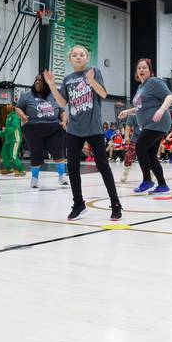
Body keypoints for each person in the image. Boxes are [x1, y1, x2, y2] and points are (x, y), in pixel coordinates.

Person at [46, 45, 122, 221]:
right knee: (72, 167)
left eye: (82, 54)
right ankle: (79, 204)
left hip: (94, 127)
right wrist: (52, 86)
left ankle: (115, 203)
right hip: (74, 129)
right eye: (75, 55)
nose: (78, 57)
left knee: (103, 165)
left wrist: (91, 81)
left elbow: (103, 94)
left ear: (87, 58)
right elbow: (62, 103)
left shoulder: (94, 71)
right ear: (70, 59)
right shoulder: (67, 79)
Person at [117, 58, 172, 195]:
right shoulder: (141, 87)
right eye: (139, 68)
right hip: (149, 124)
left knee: (140, 147)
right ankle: (163, 185)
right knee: (151, 154)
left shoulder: (154, 82)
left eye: (144, 68)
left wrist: (161, 110)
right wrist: (127, 111)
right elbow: (140, 108)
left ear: (150, 70)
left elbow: (169, 97)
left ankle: (147, 180)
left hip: (157, 123)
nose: (141, 70)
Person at [16, 73, 68, 188]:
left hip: (53, 128)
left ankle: (62, 177)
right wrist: (22, 116)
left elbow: (62, 111)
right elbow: (18, 108)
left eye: (40, 80)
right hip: (34, 128)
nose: (37, 82)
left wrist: (64, 121)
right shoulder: (26, 95)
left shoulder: (54, 95)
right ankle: (34, 179)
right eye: (36, 80)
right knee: (36, 153)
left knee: (58, 152)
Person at [0, 102, 25, 176]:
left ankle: (22, 170)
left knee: (13, 156)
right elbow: (7, 131)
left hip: (15, 139)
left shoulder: (15, 116)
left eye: (8, 105)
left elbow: (14, 128)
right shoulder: (8, 117)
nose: (7, 106)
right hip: (8, 140)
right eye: (6, 105)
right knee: (3, 154)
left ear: (13, 107)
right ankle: (9, 169)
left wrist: (5, 130)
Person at [120, 114, 139, 183]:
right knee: (129, 155)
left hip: (148, 137)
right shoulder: (133, 113)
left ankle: (150, 172)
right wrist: (126, 136)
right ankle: (126, 172)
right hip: (136, 137)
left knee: (149, 157)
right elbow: (128, 125)